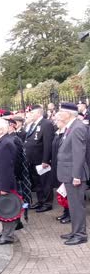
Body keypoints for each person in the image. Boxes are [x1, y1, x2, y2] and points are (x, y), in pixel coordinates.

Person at [56, 102, 89, 245]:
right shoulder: (72, 127)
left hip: (75, 175)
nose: (58, 114)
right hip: (69, 173)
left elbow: (79, 154)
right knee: (73, 205)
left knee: (77, 206)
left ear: (67, 114)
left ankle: (80, 234)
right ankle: (75, 231)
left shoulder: (77, 128)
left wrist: (76, 176)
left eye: (60, 111)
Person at [23, 105, 55, 213]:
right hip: (32, 159)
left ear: (38, 113)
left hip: (41, 159)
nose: (30, 115)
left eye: (32, 113)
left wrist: (46, 160)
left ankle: (47, 203)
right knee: (37, 182)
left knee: (45, 182)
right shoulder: (33, 124)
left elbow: (48, 143)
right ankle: (40, 201)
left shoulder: (46, 124)